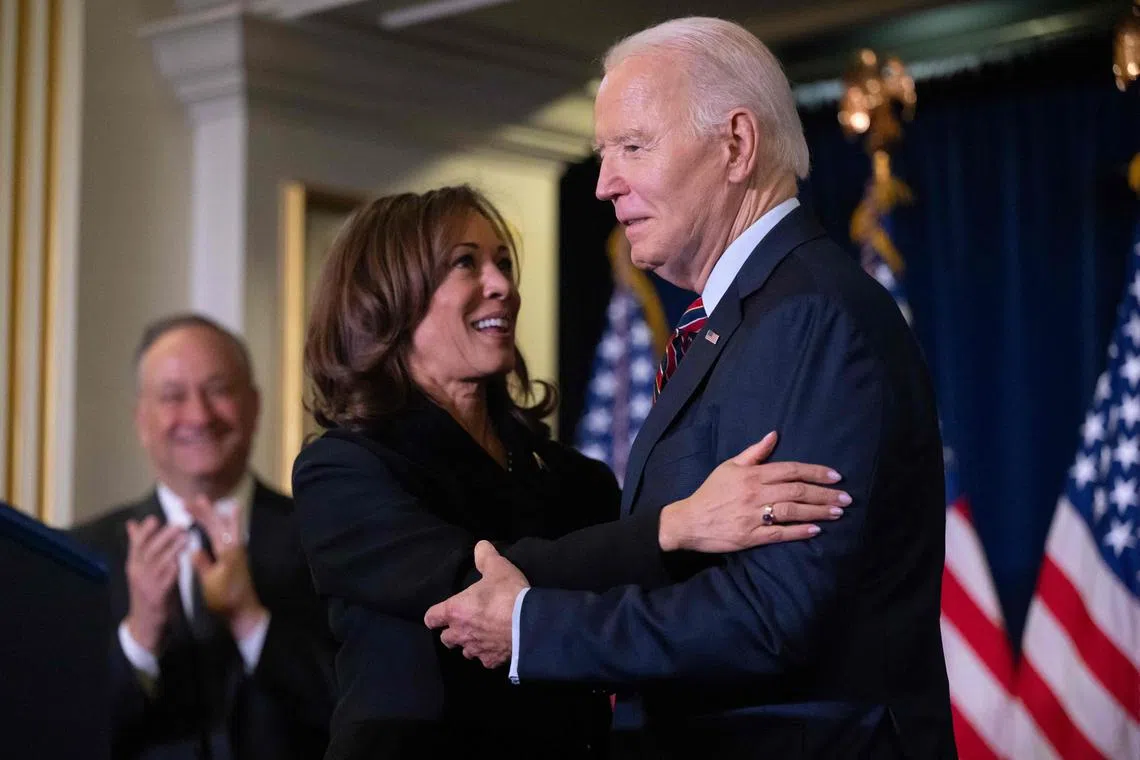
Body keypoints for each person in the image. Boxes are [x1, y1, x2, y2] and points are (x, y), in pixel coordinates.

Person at [423, 17, 955, 760]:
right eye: (604, 153)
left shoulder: (807, 317)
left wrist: (532, 628)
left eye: (633, 147)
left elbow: (773, 612)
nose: (605, 183)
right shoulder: (748, 317)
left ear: (736, 145)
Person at [291, 185, 851, 759]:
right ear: (388, 297)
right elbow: (476, 588)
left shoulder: (573, 478)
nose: (502, 286)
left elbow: (637, 618)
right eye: (466, 263)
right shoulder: (342, 471)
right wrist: (673, 526)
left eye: (503, 263)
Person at [71, 314, 336, 760]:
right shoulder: (82, 555)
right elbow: (59, 729)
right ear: (141, 420)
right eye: (173, 396)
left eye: (218, 391)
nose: (198, 415)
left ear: (253, 406)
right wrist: (140, 637)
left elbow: (360, 712)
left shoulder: (324, 536)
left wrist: (252, 621)